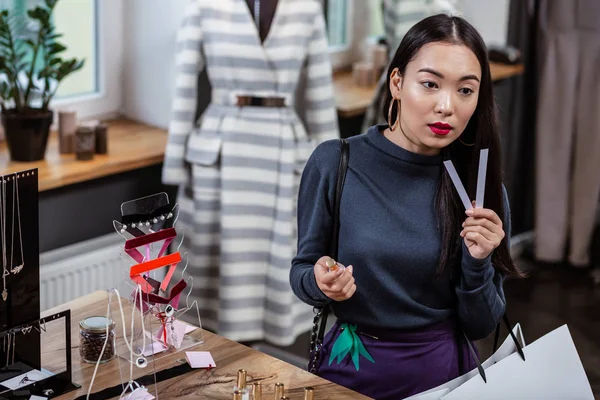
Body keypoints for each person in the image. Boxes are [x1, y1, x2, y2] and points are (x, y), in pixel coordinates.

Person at [290, 14, 524, 400]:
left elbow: (481, 324)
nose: (446, 106)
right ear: (397, 82)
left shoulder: (479, 191)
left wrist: (478, 262)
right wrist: (320, 281)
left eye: (466, 91)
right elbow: (303, 271)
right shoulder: (336, 162)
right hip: (349, 373)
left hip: (446, 380)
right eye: (430, 84)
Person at [162, 0, 339, 345]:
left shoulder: (306, 8)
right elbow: (183, 83)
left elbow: (320, 92)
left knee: (276, 269)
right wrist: (175, 161)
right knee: (212, 278)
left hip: (281, 145)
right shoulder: (205, 5)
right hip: (223, 148)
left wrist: (333, 176)